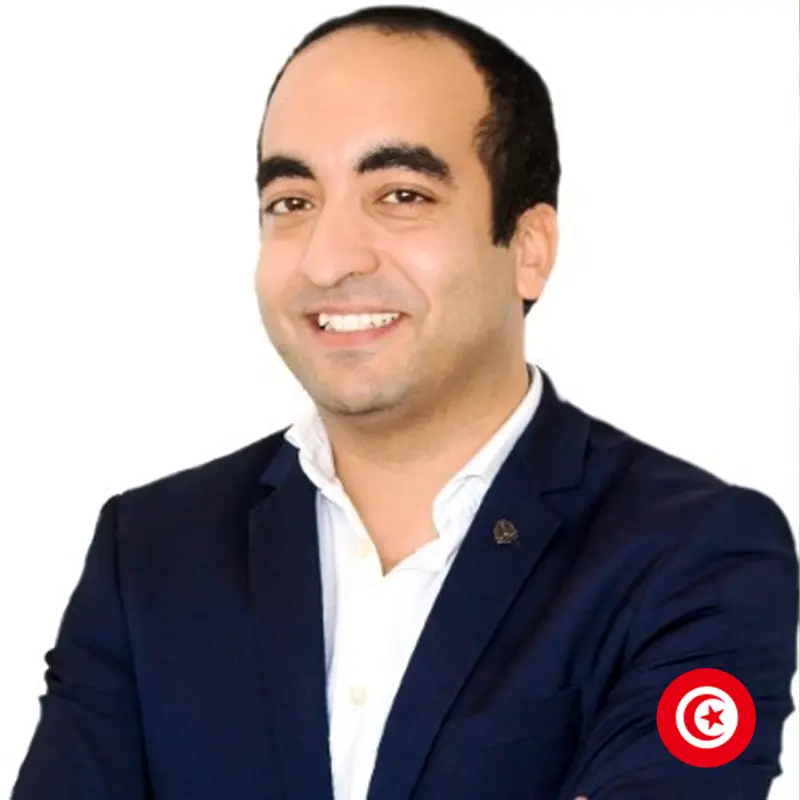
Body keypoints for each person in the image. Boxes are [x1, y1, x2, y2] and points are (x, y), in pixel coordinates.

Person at [12, 5, 798, 799]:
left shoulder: (691, 553)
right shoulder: (152, 551)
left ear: (528, 249)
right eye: (293, 202)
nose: (327, 261)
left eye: (401, 194)